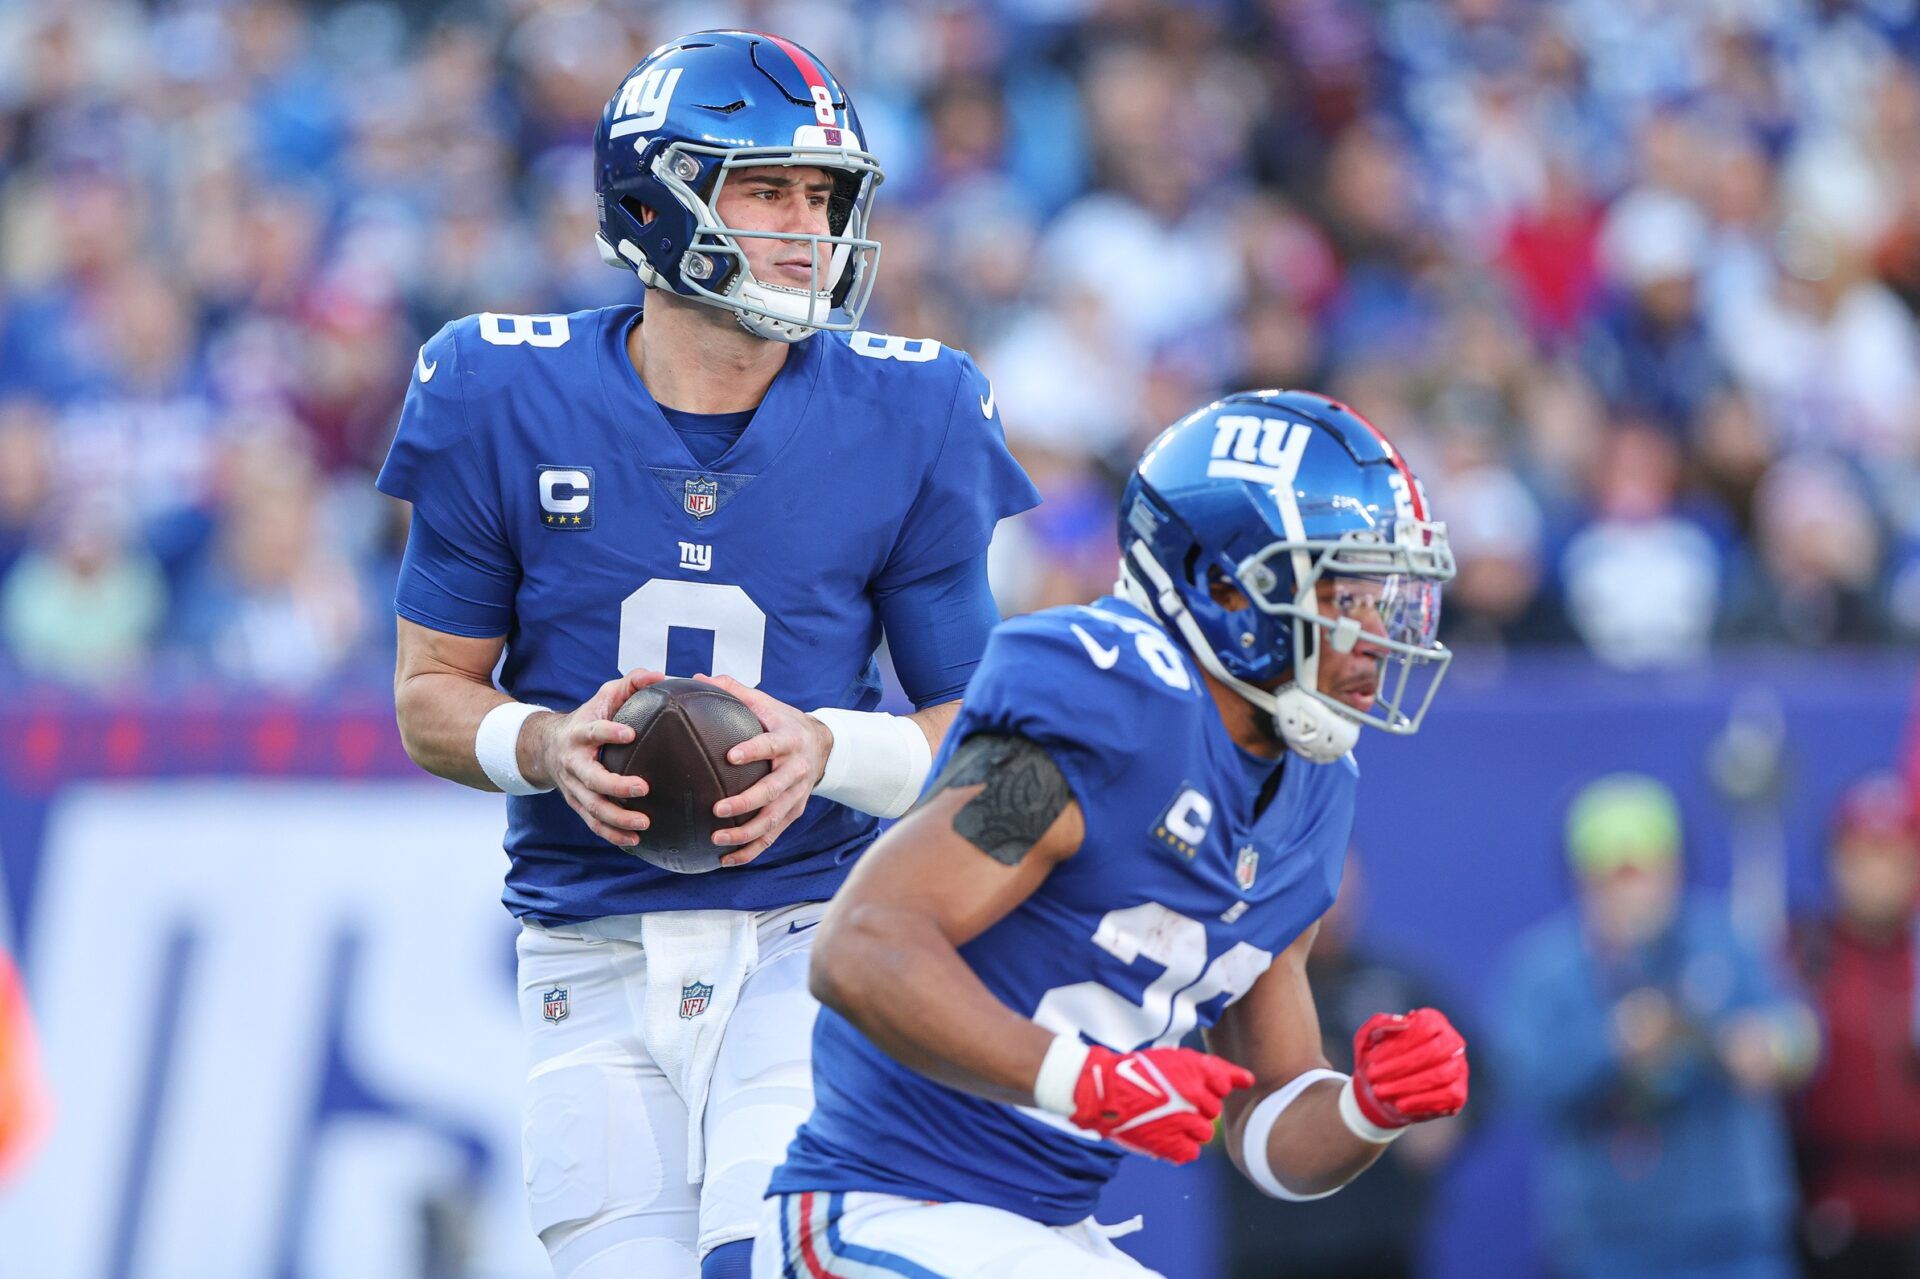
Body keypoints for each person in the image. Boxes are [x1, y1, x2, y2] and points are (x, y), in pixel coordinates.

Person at [375, 31, 1038, 1279]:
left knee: (772, 1260)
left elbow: (994, 750)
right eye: (768, 188)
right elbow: (427, 698)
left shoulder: (916, 409)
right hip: (585, 947)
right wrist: (547, 743)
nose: (809, 226)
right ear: (651, 197)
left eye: (824, 196)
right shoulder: (494, 389)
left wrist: (826, 750)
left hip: (813, 927)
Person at [756, 390, 1471, 1277]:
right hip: (894, 1199)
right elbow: (862, 945)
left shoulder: (1314, 788)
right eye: (1347, 592)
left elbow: (1265, 1117)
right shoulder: (1110, 707)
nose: (1375, 635)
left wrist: (1365, 1108)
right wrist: (1090, 1082)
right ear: (1224, 582)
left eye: (1388, 594)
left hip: (1043, 1229)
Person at [1491, 773, 1816, 1279]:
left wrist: (1772, 1048)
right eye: (1614, 875)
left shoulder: (1725, 937)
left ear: (1677, 867)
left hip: (1732, 1233)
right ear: (1581, 878)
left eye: (1648, 871)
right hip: (1608, 1241)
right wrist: (1613, 1046)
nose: (1634, 892)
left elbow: (1801, 1032)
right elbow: (1524, 1082)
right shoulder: (1543, 970)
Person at [1792, 772, 1920, 1278]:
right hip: (1835, 1215)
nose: (1878, 873)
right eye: (1862, 855)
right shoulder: (1801, 956)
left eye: (1894, 855)